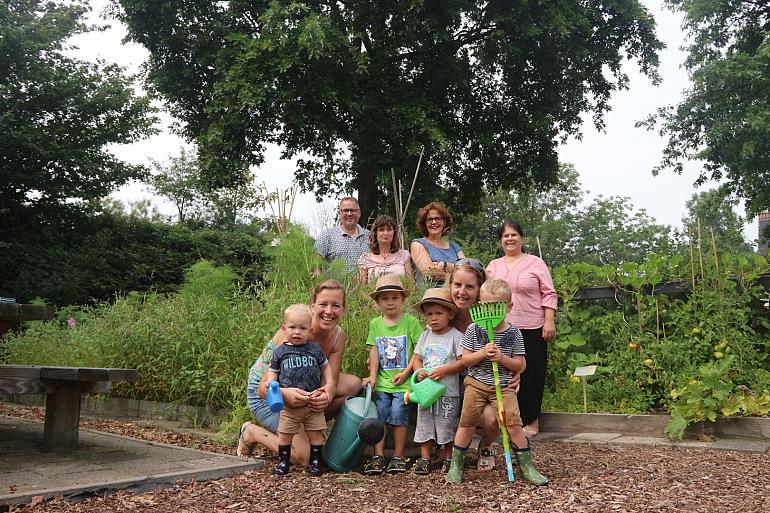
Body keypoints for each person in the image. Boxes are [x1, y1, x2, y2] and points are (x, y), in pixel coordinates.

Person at [238, 280, 362, 466]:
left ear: (343, 309)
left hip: (304, 388)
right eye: (323, 304)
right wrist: (285, 394)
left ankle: (308, 427)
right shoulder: (295, 332)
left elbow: (332, 381)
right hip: (269, 396)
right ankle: (251, 432)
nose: (329, 311)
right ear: (313, 306)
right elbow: (263, 389)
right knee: (305, 457)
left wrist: (326, 395)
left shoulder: (338, 335)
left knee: (354, 385)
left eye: (335, 306)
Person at [445, 279, 548, 486]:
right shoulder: (474, 330)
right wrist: (482, 353)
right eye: (485, 305)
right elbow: (465, 360)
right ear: (480, 305)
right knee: (466, 424)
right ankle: (455, 466)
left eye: (496, 306)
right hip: (475, 383)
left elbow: (520, 364)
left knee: (514, 425)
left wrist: (502, 358)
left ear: (509, 307)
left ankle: (527, 467)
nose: (489, 310)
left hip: (503, 385)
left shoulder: (514, 333)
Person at [446, 258, 518, 472]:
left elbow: (513, 351)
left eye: (470, 286)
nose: (462, 291)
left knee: (489, 417)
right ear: (449, 285)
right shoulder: (439, 310)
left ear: (480, 291)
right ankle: (446, 448)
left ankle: (486, 445)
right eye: (457, 285)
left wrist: (515, 372)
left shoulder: (496, 319)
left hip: (485, 381)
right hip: (450, 380)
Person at [486, 221, 557, 437]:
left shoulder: (536, 263)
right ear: (501, 240)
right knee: (504, 374)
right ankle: (507, 422)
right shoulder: (493, 266)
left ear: (522, 238)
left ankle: (531, 421)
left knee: (532, 374)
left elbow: (549, 293)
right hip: (502, 327)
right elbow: (485, 292)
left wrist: (549, 320)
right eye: (505, 235)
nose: (510, 239)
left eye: (514, 235)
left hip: (532, 326)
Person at [361, 274, 423, 475]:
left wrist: (406, 374)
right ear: (378, 301)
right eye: (385, 298)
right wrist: (372, 376)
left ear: (402, 300)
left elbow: (418, 351)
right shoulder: (374, 324)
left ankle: (398, 456)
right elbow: (374, 351)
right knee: (379, 416)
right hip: (382, 382)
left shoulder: (411, 322)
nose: (390, 302)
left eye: (394, 298)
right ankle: (377, 456)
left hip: (404, 383)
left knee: (398, 414)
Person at [266, 304, 334, 476]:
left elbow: (326, 367)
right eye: (292, 327)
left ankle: (316, 462)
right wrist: (272, 384)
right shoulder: (280, 351)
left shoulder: (314, 349)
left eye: (302, 328)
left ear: (310, 330)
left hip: (312, 402)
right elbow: (273, 372)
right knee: (285, 434)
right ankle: (283, 461)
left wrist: (329, 385)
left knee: (316, 434)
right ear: (284, 328)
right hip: (289, 406)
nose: (297, 332)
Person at [410, 288, 464, 475]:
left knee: (446, 424)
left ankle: (448, 457)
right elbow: (417, 358)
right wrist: (420, 370)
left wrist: (445, 370)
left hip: (447, 391)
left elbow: (462, 362)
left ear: (450, 314)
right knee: (424, 422)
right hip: (426, 391)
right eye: (429, 314)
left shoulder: (456, 337)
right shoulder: (425, 335)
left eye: (439, 313)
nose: (434, 318)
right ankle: (425, 458)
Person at [410, 201, 465, 286]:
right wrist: (457, 270)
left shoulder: (454, 247)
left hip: (457, 295)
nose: (434, 222)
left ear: (445, 222)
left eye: (438, 218)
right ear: (424, 223)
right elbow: (429, 272)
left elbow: (468, 270)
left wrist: (444, 265)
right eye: (429, 219)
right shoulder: (418, 244)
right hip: (430, 296)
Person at [315, 197, 370, 273]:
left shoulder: (369, 236)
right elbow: (315, 260)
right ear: (339, 213)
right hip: (334, 284)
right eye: (345, 210)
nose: (349, 214)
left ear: (359, 213)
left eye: (353, 210)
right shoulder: (327, 235)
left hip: (364, 284)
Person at [357, 214, 413, 283]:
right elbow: (361, 288)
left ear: (394, 233)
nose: (385, 233)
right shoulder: (365, 258)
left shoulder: (404, 255)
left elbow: (411, 285)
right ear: (375, 233)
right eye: (381, 230)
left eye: (389, 229)